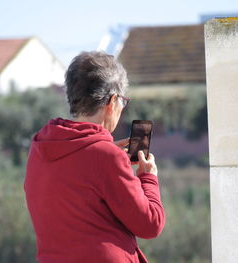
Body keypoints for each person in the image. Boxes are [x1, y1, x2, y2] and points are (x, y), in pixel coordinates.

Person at [24, 51, 165, 263]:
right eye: (123, 102)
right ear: (113, 101)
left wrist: (108, 155)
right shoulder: (105, 157)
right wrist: (148, 178)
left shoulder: (39, 147)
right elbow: (151, 223)